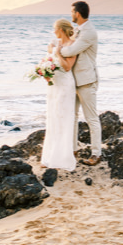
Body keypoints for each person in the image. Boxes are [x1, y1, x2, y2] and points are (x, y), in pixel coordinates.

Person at [58, 0, 101, 165]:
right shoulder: (78, 31)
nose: (71, 15)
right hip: (73, 81)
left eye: (72, 12)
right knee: (73, 117)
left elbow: (71, 50)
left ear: (77, 13)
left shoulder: (89, 32)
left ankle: (96, 153)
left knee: (91, 118)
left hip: (86, 80)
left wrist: (57, 50)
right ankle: (72, 150)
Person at [40, 18, 78, 171]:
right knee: (53, 118)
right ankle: (48, 157)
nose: (53, 31)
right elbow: (50, 61)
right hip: (54, 85)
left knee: (63, 118)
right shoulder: (53, 44)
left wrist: (58, 53)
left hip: (65, 85)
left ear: (61, 29)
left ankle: (62, 158)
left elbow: (68, 67)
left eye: (55, 28)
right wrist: (45, 72)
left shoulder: (72, 45)